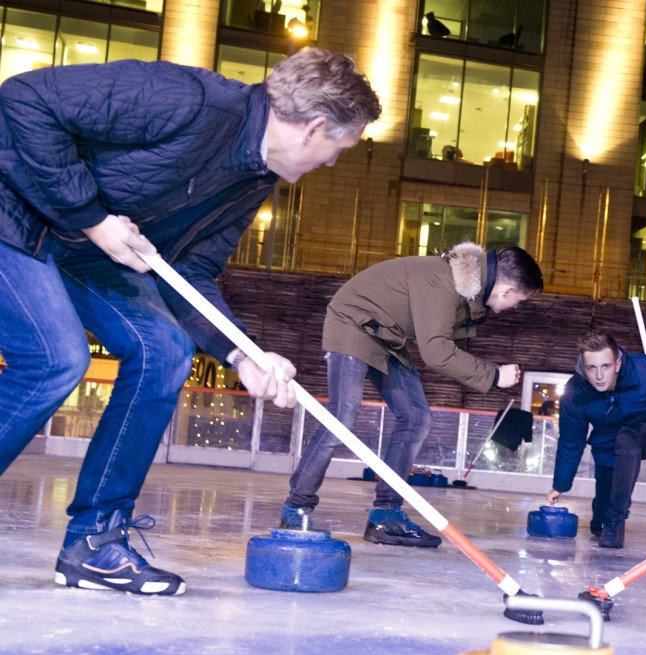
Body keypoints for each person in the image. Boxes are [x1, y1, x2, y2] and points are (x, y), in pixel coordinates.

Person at [0, 48, 382, 596]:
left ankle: (95, 544)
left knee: (165, 350)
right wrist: (93, 217)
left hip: (80, 244)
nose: (332, 163)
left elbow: (190, 271)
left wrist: (241, 353)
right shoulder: (188, 100)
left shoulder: (253, 180)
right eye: (338, 148)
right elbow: (23, 100)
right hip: (13, 209)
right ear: (314, 128)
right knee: (55, 360)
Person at [282, 242, 543, 547]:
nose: (516, 307)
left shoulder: (466, 292)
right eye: (520, 301)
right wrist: (494, 375)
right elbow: (436, 352)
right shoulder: (444, 282)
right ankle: (296, 507)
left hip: (386, 337)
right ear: (508, 289)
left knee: (416, 418)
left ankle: (385, 516)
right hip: (353, 323)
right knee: (342, 416)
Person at [546, 330, 646, 548]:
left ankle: (615, 521)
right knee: (599, 519)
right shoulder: (575, 392)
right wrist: (560, 484)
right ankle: (604, 519)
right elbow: (571, 442)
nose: (599, 376)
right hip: (606, 440)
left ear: (618, 363)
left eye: (606, 366)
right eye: (591, 368)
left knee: (627, 438)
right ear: (583, 367)